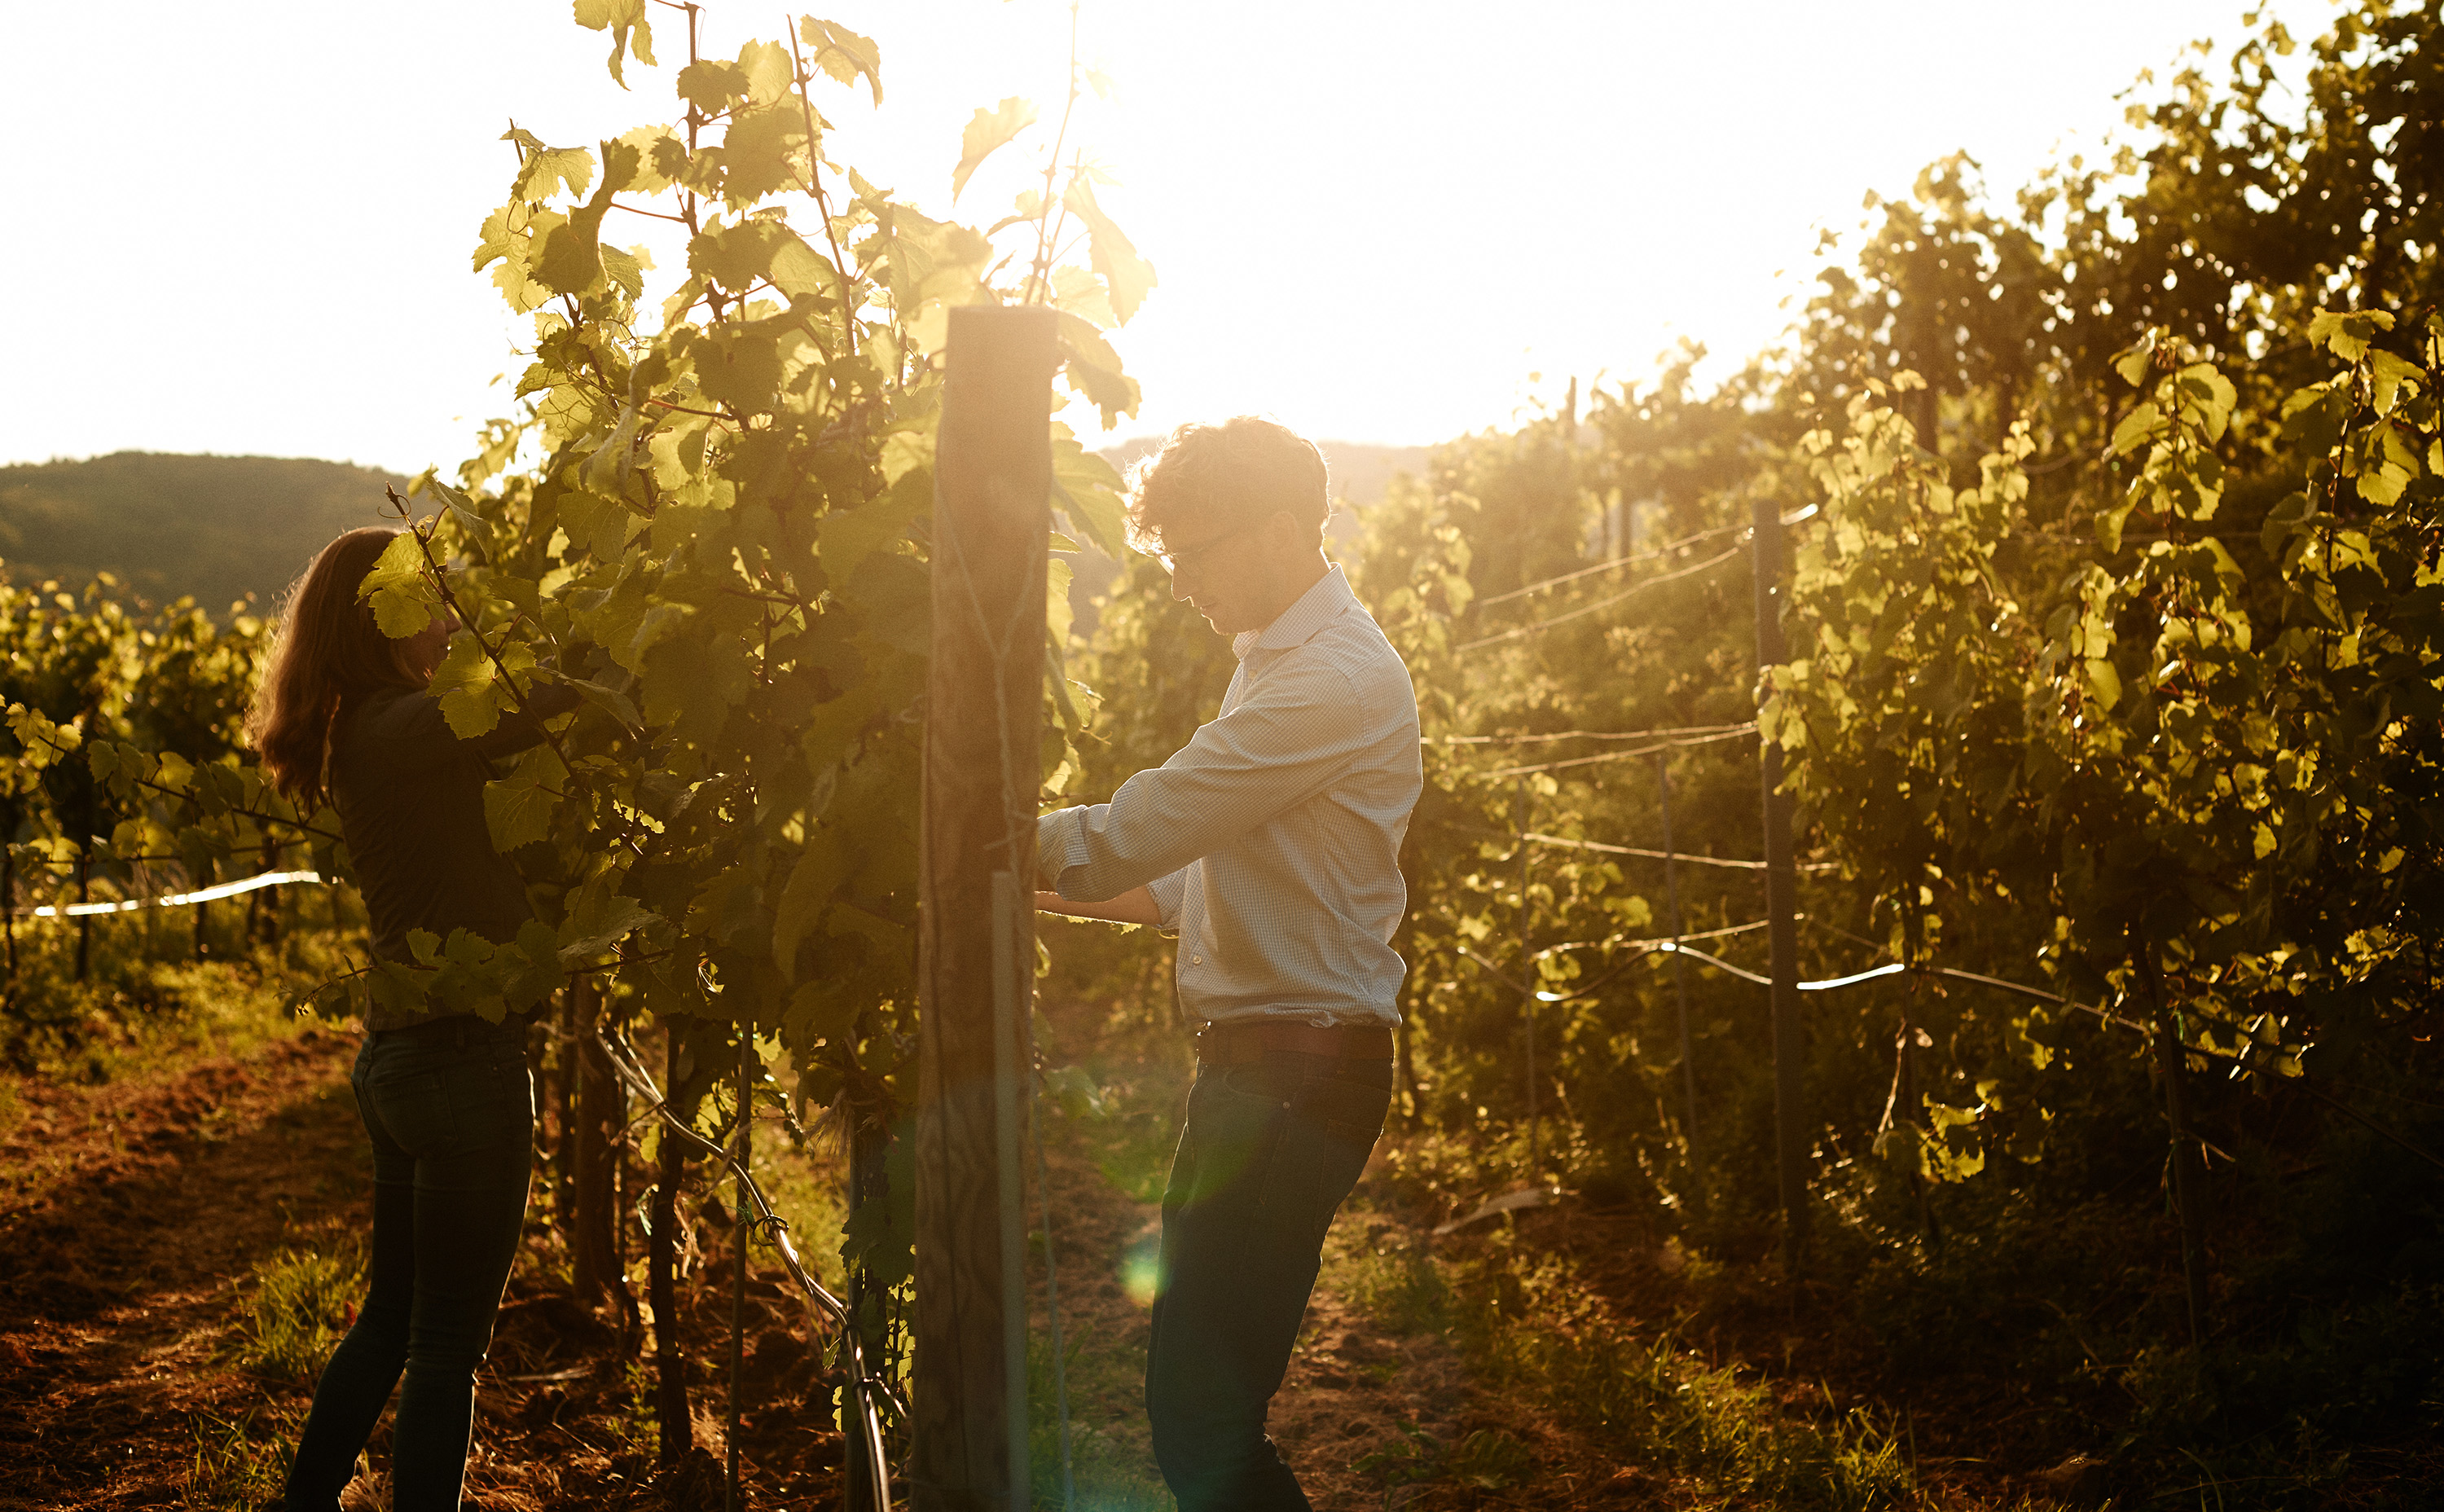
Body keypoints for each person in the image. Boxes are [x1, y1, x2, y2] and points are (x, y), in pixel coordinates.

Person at [1034, 417, 1423, 1512]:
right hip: (1272, 1074)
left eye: (1195, 552)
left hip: (1293, 1080)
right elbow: (1181, 888)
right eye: (1170, 557)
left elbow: (1142, 827)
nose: (1180, 580)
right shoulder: (1275, 668)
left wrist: (978, 828)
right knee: (1201, 1416)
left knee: (1203, 1423)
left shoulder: (1332, 681)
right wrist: (1020, 878)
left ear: (1286, 529)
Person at [247, 525, 578, 1512]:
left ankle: (303, 1503)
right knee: (445, 1346)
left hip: (404, 1057)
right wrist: (610, 635)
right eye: (428, 600)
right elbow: (528, 704)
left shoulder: (373, 728)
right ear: (378, 617)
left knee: (392, 1319)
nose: (445, 619)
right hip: (460, 1065)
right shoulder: (402, 726)